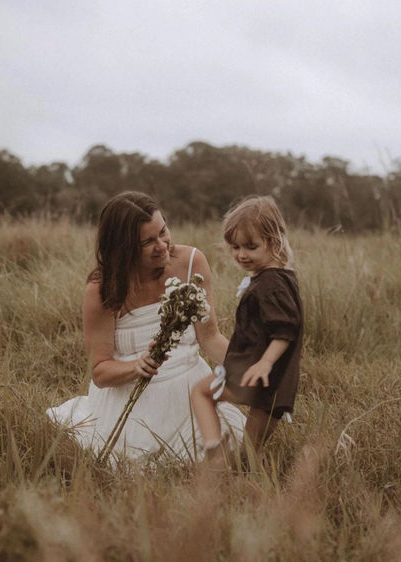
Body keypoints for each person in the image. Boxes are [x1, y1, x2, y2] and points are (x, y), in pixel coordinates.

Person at [47, 191, 245, 461]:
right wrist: (136, 367)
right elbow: (100, 371)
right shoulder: (102, 289)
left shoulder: (191, 263)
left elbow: (210, 337)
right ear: (123, 248)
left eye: (163, 231)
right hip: (131, 395)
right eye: (148, 242)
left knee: (228, 448)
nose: (162, 245)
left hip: (191, 388)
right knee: (136, 462)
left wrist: (249, 367)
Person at [191, 195, 303, 467]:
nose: (241, 254)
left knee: (201, 394)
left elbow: (285, 330)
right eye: (235, 247)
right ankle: (224, 458)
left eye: (251, 246)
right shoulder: (278, 277)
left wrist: (265, 363)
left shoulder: (271, 284)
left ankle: (215, 451)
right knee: (250, 453)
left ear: (273, 243)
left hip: (260, 380)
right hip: (268, 382)